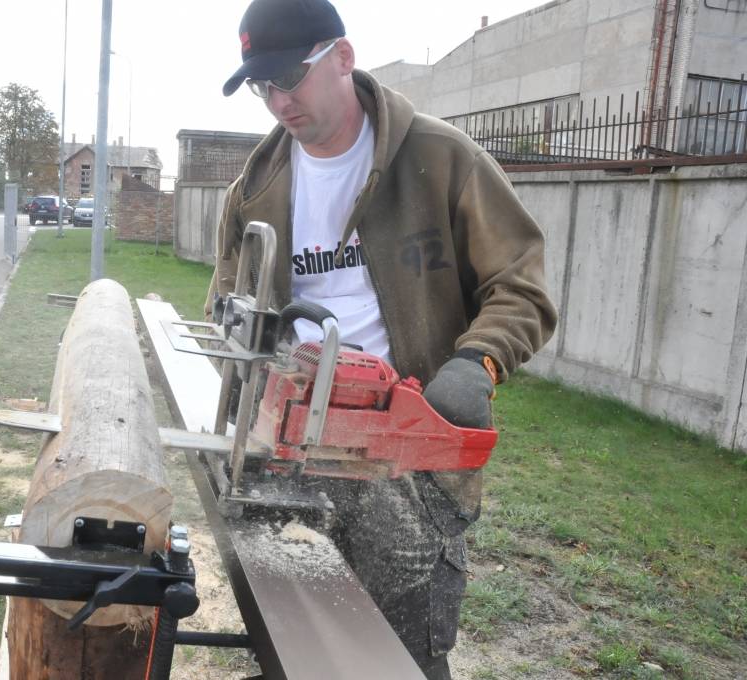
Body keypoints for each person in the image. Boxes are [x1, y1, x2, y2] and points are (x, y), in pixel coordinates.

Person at [209, 1, 558, 677]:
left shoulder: (439, 158)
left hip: (409, 468)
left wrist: (476, 361)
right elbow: (231, 304)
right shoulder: (254, 187)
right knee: (294, 641)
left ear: (341, 57)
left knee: (400, 655)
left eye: (290, 78)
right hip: (291, 452)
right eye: (263, 87)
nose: (279, 102)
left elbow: (523, 285)